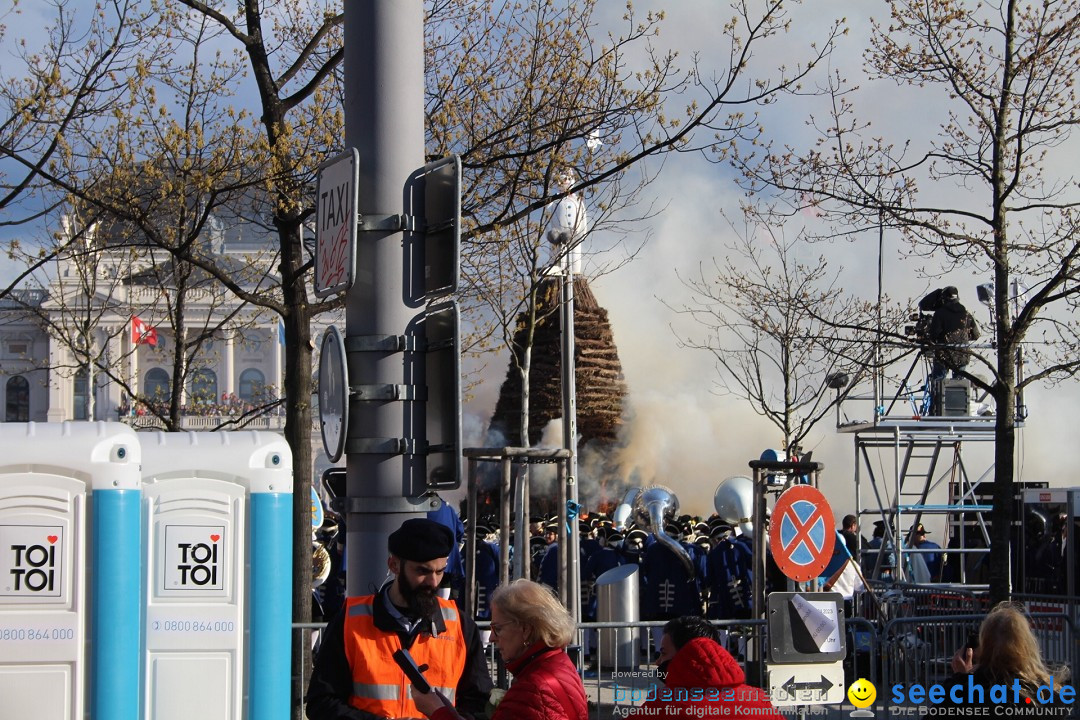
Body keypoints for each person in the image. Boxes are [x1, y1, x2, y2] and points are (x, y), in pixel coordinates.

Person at [305, 518, 493, 720]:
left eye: (440, 572)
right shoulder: (351, 620)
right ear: (394, 565)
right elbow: (321, 703)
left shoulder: (461, 626)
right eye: (422, 571)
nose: (433, 582)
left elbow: (479, 705)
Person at [414, 578, 588, 720]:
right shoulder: (559, 664)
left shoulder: (532, 688)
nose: (491, 637)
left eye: (498, 628)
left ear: (526, 629)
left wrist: (437, 711)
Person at [631, 616, 783, 719]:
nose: (658, 662)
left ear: (686, 653)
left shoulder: (662, 705)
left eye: (663, 653)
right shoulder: (757, 699)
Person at [946, 603, 1069, 715]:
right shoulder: (1049, 695)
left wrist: (962, 680)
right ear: (1028, 646)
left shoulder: (967, 693)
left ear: (983, 647)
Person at [925, 286, 980, 381]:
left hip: (944, 354)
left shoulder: (939, 314)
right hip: (962, 353)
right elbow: (976, 335)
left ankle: (938, 395)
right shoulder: (966, 314)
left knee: (939, 383)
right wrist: (963, 338)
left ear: (943, 299)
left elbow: (934, 335)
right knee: (959, 386)